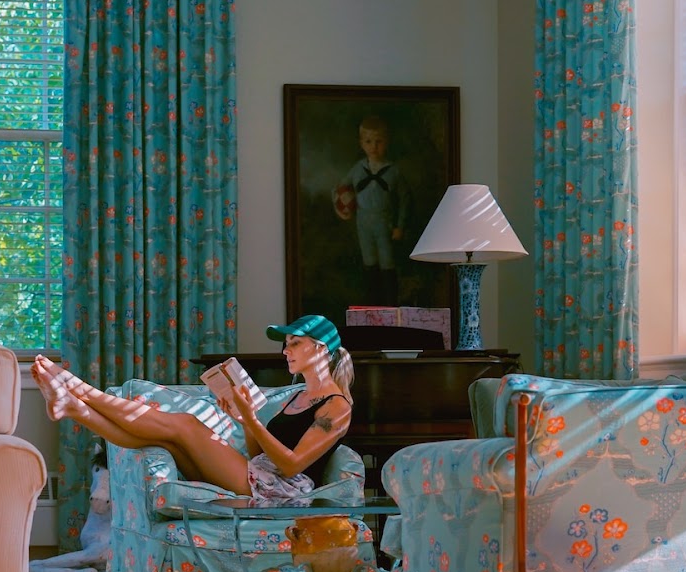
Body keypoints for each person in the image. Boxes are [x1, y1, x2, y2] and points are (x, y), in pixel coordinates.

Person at [32, 314, 355, 504]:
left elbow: (291, 463)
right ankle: (74, 408)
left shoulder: (337, 407)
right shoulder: (295, 397)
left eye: (294, 343)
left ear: (320, 349)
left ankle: (79, 389)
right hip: (260, 475)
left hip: (282, 493)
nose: (286, 350)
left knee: (187, 424)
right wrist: (242, 419)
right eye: (286, 344)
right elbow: (262, 453)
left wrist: (253, 418)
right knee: (165, 441)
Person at [333, 114, 412, 300]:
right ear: (361, 143)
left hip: (384, 222)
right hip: (363, 222)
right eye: (368, 141)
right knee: (369, 260)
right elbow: (341, 188)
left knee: (387, 260)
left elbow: (404, 199)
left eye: (379, 141)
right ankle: (372, 303)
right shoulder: (358, 169)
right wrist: (341, 207)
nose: (373, 147)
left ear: (386, 142)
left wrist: (400, 226)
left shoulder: (394, 171)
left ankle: (390, 302)